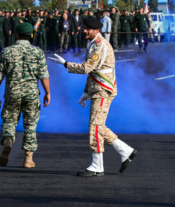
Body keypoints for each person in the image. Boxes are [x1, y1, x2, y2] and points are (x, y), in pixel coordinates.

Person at [48, 17, 137, 177]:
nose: (84, 31)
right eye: (85, 28)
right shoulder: (94, 44)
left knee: (95, 127)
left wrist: (65, 64)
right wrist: (85, 92)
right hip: (98, 89)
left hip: (103, 90)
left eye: (87, 29)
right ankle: (125, 151)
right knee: (99, 126)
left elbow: (86, 69)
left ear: (96, 30)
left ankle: (98, 165)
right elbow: (94, 72)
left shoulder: (99, 46)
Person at [0, 22, 51, 169]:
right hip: (31, 94)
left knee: (9, 121)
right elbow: (43, 75)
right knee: (30, 124)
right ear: (30, 35)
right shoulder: (37, 52)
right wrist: (47, 92)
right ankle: (28, 159)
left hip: (12, 92)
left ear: (17, 35)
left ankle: (8, 142)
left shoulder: (7, 51)